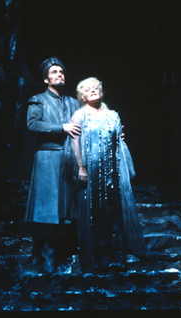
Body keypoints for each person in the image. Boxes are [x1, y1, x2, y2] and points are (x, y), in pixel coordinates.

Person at [69, 77, 148, 273]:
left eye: (96, 88)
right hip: (91, 172)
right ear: (83, 97)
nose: (93, 90)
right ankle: (94, 258)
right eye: (88, 89)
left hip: (111, 173)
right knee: (92, 212)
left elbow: (119, 142)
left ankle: (115, 257)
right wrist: (81, 167)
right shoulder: (79, 115)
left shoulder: (113, 115)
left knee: (112, 213)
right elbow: (74, 142)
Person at [25, 57, 81, 273]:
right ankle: (47, 258)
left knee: (69, 207)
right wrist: (62, 127)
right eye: (55, 72)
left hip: (70, 159)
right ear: (46, 78)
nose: (60, 75)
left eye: (62, 72)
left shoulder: (74, 103)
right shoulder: (38, 99)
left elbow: (86, 123)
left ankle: (68, 254)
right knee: (47, 210)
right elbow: (33, 124)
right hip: (48, 158)